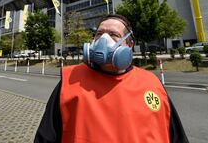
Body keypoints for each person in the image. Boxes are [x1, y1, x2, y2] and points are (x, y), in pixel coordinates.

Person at [34, 14, 189, 143]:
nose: (104, 40)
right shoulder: (70, 80)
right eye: (99, 34)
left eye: (114, 35)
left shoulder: (152, 84)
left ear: (129, 44)